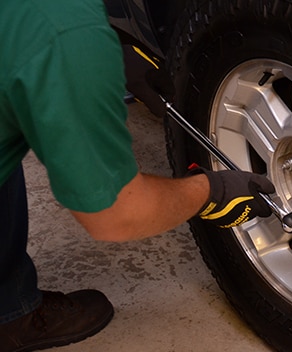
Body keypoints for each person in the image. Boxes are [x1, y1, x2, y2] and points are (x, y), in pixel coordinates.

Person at [0, 0, 275, 351]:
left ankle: (8, 309)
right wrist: (212, 191)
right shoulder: (57, 22)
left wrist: (102, 56)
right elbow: (115, 214)